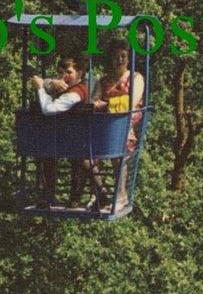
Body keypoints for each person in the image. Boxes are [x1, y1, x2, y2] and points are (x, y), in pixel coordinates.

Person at [90, 38, 145, 209]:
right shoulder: (104, 81)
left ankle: (121, 195)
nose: (119, 60)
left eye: (123, 56)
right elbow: (93, 101)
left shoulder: (135, 78)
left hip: (124, 124)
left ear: (128, 59)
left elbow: (132, 103)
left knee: (117, 157)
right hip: (105, 124)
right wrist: (99, 104)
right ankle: (98, 192)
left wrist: (107, 105)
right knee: (92, 155)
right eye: (116, 57)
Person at [29, 53, 89, 208]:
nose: (64, 77)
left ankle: (74, 198)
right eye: (61, 73)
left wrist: (41, 89)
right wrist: (50, 84)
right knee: (47, 156)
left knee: (75, 161)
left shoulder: (75, 93)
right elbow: (47, 82)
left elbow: (49, 109)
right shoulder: (66, 87)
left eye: (69, 73)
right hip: (62, 136)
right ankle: (47, 196)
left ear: (79, 73)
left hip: (75, 138)